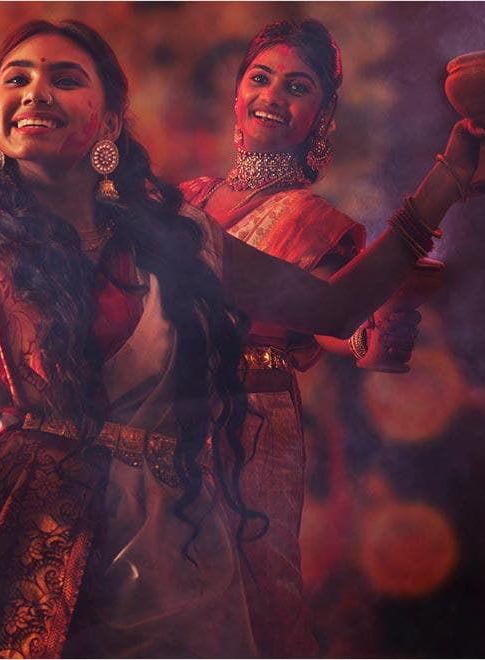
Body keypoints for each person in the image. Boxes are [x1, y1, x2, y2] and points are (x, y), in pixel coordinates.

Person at [0, 19, 485, 658]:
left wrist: (446, 183)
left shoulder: (183, 237)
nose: (37, 91)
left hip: (172, 539)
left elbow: (340, 304)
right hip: (21, 534)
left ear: (109, 122)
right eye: (18, 77)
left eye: (65, 77)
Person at [179, 19, 433, 655]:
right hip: (161, 410)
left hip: (254, 422)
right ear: (237, 92)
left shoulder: (314, 222)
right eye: (260, 78)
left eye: (298, 87)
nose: (272, 96)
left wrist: (364, 346)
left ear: (320, 115)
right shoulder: (183, 200)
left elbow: (324, 319)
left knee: (248, 584)